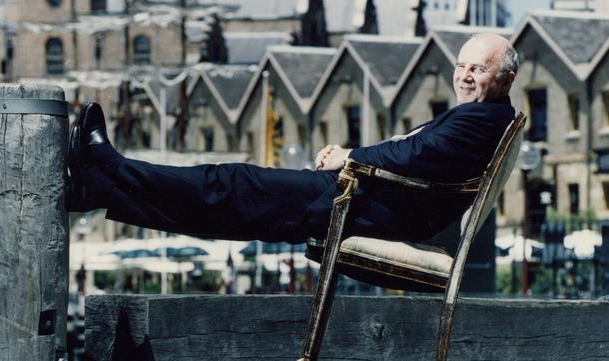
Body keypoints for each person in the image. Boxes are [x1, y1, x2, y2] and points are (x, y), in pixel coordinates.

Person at [67, 33, 518, 251]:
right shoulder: (482, 115)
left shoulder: (483, 118)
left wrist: (350, 158)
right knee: (229, 203)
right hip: (366, 199)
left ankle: (108, 168)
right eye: (462, 66)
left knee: (230, 186)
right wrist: (351, 161)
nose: (465, 76)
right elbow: (415, 155)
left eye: (478, 69)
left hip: (364, 207)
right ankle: (101, 189)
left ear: (505, 78)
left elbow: (415, 154)